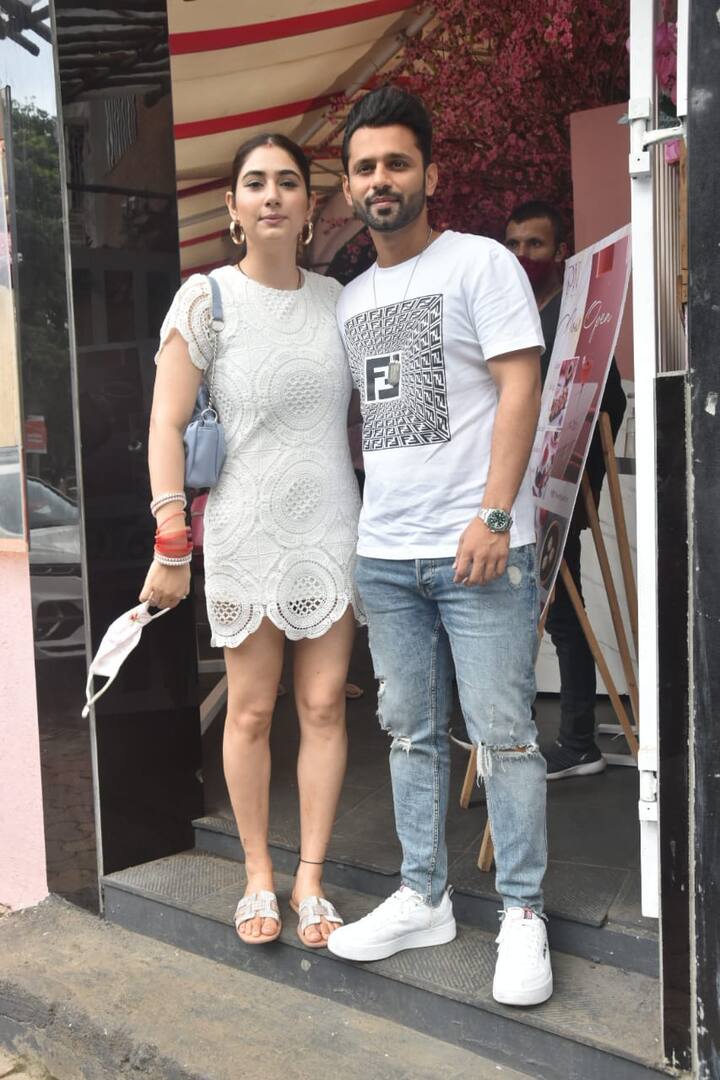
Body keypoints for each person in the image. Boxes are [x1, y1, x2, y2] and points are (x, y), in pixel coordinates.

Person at [326, 86, 553, 1008]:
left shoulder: (481, 265)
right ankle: (425, 896)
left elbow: (519, 388)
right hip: (386, 554)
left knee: (505, 738)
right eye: (365, 168)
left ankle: (523, 913)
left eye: (396, 163)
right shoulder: (350, 300)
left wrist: (496, 516)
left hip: (480, 549)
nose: (381, 180)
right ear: (348, 187)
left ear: (430, 173)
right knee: (407, 734)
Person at [140, 133, 363, 949]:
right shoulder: (206, 299)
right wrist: (172, 538)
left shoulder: (342, 300)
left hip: (331, 527)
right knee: (253, 712)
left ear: (310, 207)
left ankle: (310, 878)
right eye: (255, 184)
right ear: (233, 207)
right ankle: (258, 875)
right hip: (240, 529)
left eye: (288, 184)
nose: (272, 195)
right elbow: (166, 423)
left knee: (323, 707)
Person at [504, 201, 627, 780]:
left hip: (557, 494)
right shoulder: (515, 311)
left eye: (535, 244)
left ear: (559, 251)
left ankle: (578, 740)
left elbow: (612, 400)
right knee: (544, 615)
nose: (524, 255)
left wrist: (579, 479)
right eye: (516, 244)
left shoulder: (572, 316)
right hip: (519, 495)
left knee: (562, 617)